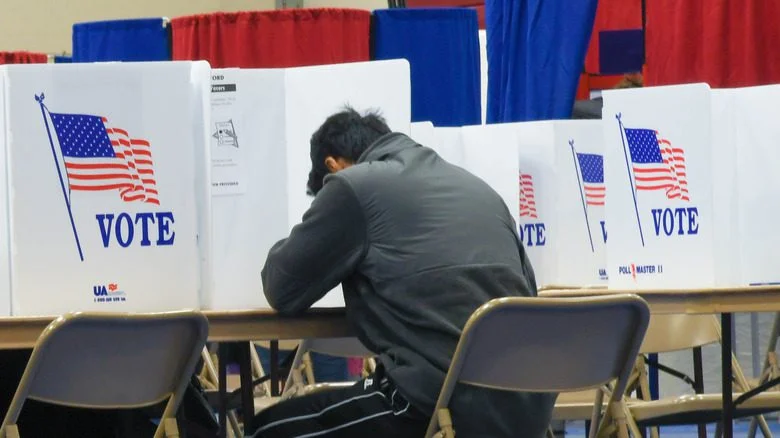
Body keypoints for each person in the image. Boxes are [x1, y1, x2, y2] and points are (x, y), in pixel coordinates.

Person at [251, 108, 556, 437]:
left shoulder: (352, 186)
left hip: (437, 405)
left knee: (266, 429)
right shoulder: (480, 190)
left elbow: (281, 287)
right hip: (528, 409)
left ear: (333, 165)